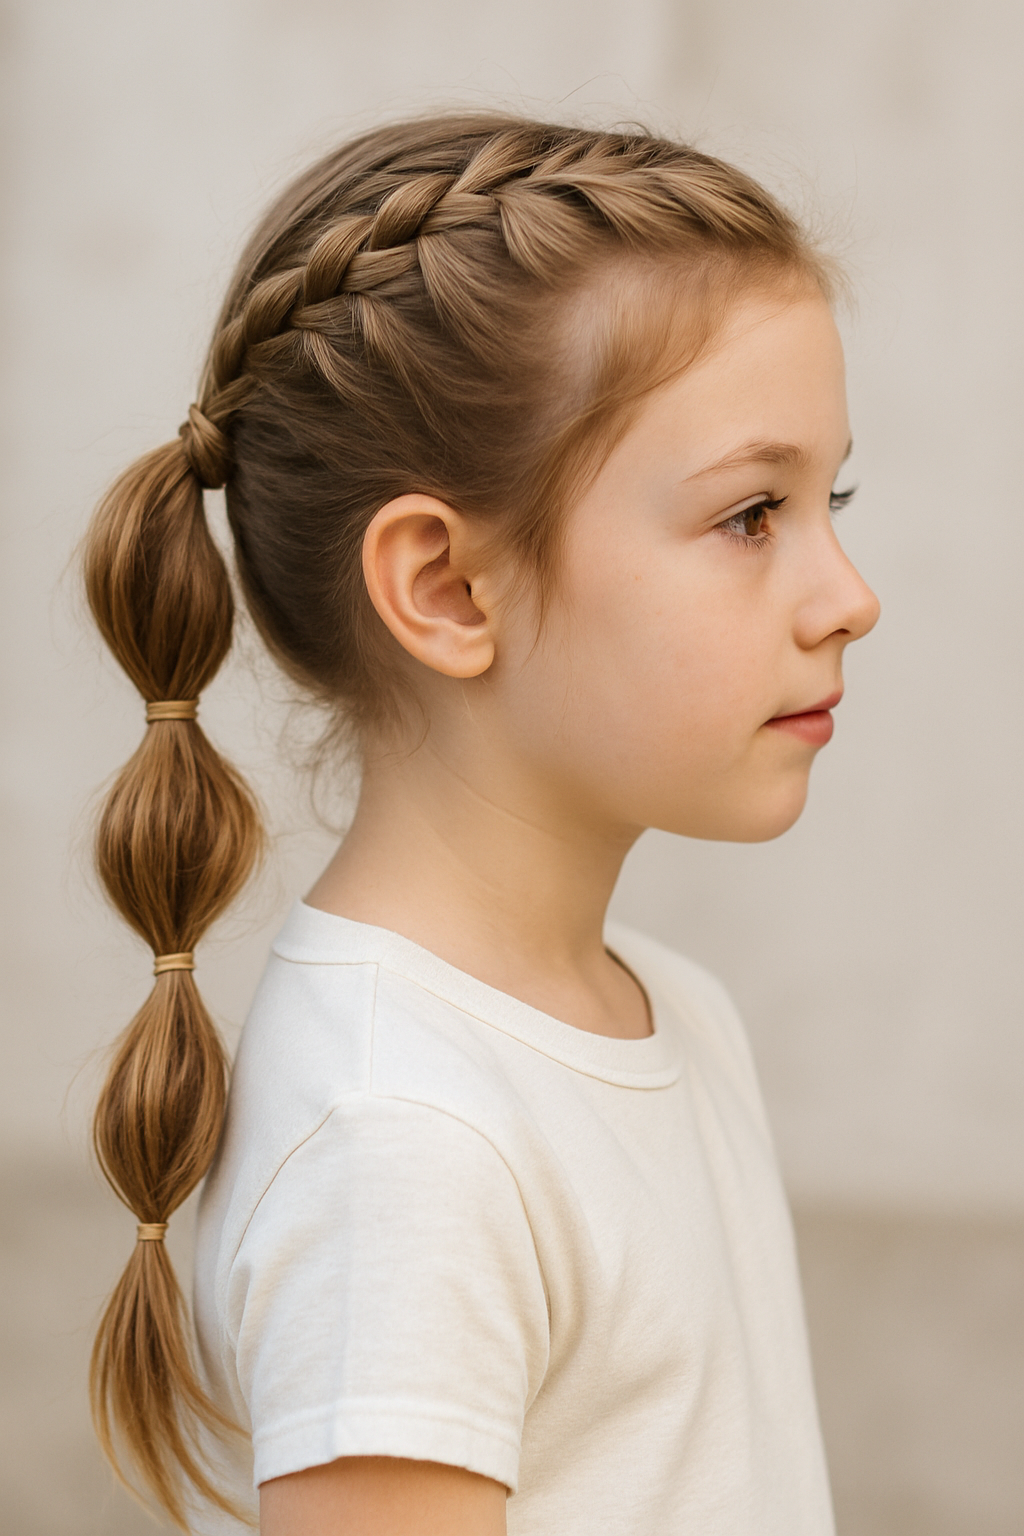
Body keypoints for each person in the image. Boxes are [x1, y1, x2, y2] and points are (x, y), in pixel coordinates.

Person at [82, 112, 879, 1536]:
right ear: (448, 589)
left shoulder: (672, 1013)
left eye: (835, 498)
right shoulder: (403, 1146)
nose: (848, 595)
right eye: (755, 514)